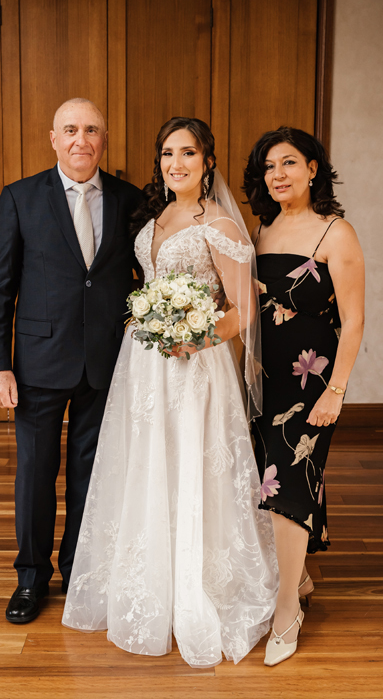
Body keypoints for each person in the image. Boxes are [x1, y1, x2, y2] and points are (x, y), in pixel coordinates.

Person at [63, 117, 277, 668]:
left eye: (187, 153)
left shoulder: (221, 225)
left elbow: (244, 309)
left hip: (193, 365)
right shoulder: (155, 214)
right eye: (167, 154)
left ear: (208, 162)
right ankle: (145, 579)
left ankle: (196, 585)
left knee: (190, 464)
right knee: (144, 461)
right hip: (143, 361)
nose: (175, 164)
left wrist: (194, 338)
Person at [0, 98, 142, 624]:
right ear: (53, 138)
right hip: (37, 363)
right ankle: (31, 577)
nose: (81, 139)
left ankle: (78, 573)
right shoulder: (20, 197)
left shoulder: (129, 200)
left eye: (91, 130)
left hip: (105, 362)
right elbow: (0, 287)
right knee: (35, 474)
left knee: (90, 474)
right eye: (70, 129)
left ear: (104, 139)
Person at [243, 126, 365, 666]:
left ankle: (286, 610)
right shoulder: (262, 228)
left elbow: (354, 320)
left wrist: (336, 390)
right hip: (261, 378)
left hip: (311, 379)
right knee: (267, 478)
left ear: (313, 169)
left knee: (286, 483)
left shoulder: (337, 233)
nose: (278, 175)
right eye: (270, 166)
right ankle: (302, 576)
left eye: (289, 163)